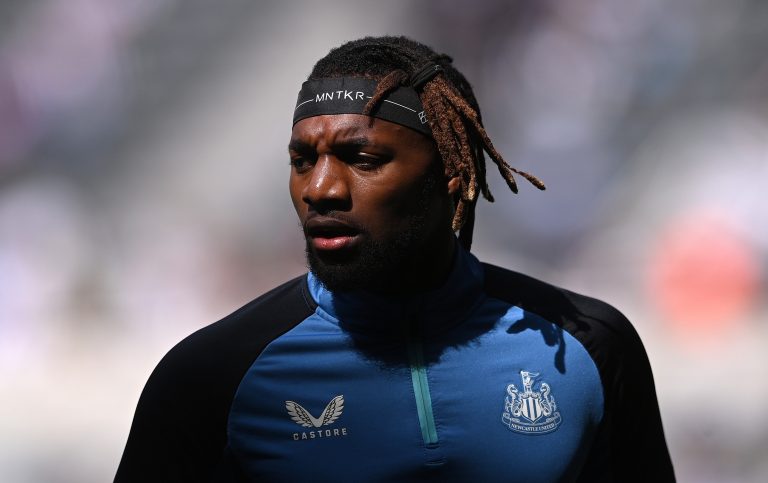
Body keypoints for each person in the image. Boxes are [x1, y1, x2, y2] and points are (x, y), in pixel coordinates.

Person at [115, 36, 675, 482]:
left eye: (362, 157)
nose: (321, 189)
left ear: (454, 177)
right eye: (303, 159)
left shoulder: (588, 346)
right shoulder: (211, 374)